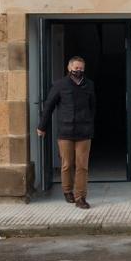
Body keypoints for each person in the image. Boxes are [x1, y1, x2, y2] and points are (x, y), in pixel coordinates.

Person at [37, 55, 96, 209]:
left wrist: (90, 124)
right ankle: (67, 190)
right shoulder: (60, 85)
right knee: (67, 164)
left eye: (81, 68)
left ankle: (80, 197)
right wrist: (42, 126)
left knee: (82, 166)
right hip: (65, 131)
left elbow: (92, 107)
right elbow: (49, 106)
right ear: (69, 68)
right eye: (76, 68)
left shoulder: (89, 85)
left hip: (84, 132)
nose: (79, 71)